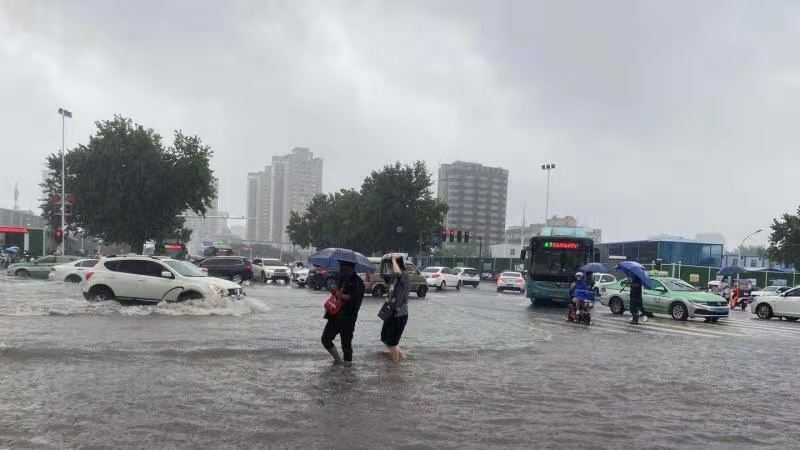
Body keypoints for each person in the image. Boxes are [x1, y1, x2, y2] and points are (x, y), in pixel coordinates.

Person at [321, 260, 365, 367]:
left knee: (346, 345)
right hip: (335, 314)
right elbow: (339, 293)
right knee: (325, 339)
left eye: (343, 266)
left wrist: (339, 294)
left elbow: (352, 298)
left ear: (350, 267)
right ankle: (338, 361)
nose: (341, 268)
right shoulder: (343, 278)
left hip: (348, 318)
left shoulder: (358, 282)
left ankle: (347, 371)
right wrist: (334, 291)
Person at [381, 254, 410, 362]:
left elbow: (398, 272)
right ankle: (402, 358)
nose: (390, 267)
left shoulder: (405, 275)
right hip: (391, 312)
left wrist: (393, 259)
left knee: (392, 342)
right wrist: (383, 263)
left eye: (391, 264)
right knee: (385, 338)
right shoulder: (395, 278)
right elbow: (382, 276)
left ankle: (395, 369)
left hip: (400, 314)